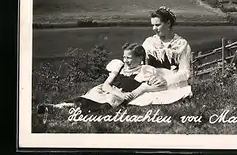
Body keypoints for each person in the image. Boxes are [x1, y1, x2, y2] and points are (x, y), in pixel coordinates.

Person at [38, 43, 170, 114]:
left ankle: (61, 108)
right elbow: (107, 85)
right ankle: (58, 106)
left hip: (118, 96)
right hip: (109, 90)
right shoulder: (119, 67)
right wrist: (116, 92)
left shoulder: (145, 71)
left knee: (104, 103)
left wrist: (143, 88)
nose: (126, 60)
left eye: (129, 58)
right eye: (124, 57)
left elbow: (162, 85)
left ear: (140, 58)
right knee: (91, 95)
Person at [142, 7, 194, 93]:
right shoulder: (148, 43)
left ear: (168, 23)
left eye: (157, 25)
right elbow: (142, 67)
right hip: (152, 84)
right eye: (153, 25)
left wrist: (167, 80)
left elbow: (185, 72)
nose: (154, 28)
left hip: (174, 84)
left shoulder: (181, 44)